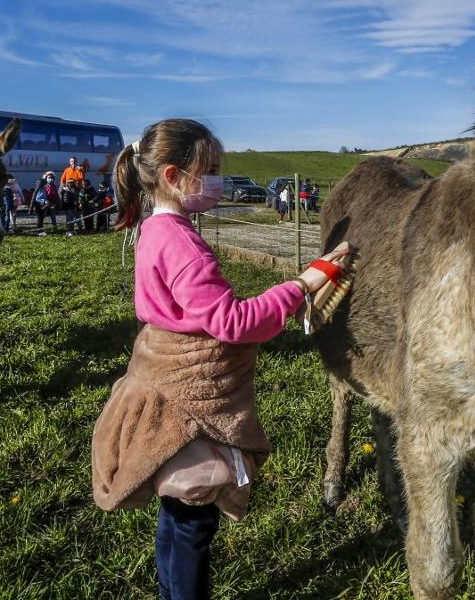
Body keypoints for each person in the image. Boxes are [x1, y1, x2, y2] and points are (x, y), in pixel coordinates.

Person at [90, 118, 348, 600]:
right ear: (171, 176)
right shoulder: (183, 244)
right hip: (189, 395)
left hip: (157, 372)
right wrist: (301, 286)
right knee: (194, 520)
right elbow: (232, 322)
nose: (218, 180)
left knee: (177, 514)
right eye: (208, 169)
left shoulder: (155, 229)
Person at [31, 171, 60, 236]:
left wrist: (56, 202)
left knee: (52, 216)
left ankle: (54, 227)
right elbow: (38, 197)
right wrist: (45, 201)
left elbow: (56, 195)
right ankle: (40, 230)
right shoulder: (43, 187)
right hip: (44, 205)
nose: (51, 179)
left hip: (51, 204)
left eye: (52, 178)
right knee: (41, 218)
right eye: (49, 177)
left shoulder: (54, 186)